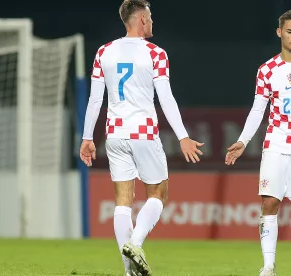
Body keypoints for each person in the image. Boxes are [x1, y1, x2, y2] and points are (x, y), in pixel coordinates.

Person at [79, 0, 204, 275]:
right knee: (159, 193)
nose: (152, 22)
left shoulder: (104, 52)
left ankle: (129, 271)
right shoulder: (155, 53)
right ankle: (135, 244)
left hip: (114, 133)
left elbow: (94, 99)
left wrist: (88, 137)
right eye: (150, 17)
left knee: (123, 200)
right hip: (143, 132)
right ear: (143, 19)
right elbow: (166, 98)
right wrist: (183, 135)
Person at [225, 9, 291, 276]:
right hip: (275, 142)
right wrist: (242, 141)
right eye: (289, 31)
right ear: (279, 32)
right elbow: (257, 110)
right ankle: (268, 266)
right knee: (269, 203)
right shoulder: (267, 69)